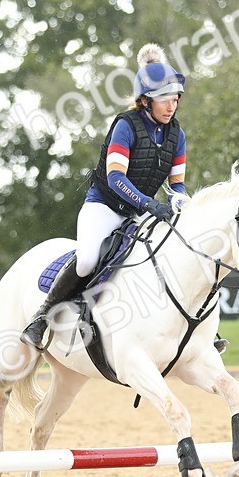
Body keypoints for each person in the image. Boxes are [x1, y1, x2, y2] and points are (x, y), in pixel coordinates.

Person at [21, 43, 190, 349]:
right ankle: (41, 317)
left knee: (171, 253)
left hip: (140, 212)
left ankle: (193, 335)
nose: (171, 106)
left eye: (175, 99)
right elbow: (115, 178)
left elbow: (177, 183)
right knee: (86, 261)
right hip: (105, 205)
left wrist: (180, 200)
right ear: (146, 100)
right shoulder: (126, 126)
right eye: (165, 99)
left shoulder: (177, 136)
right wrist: (149, 204)